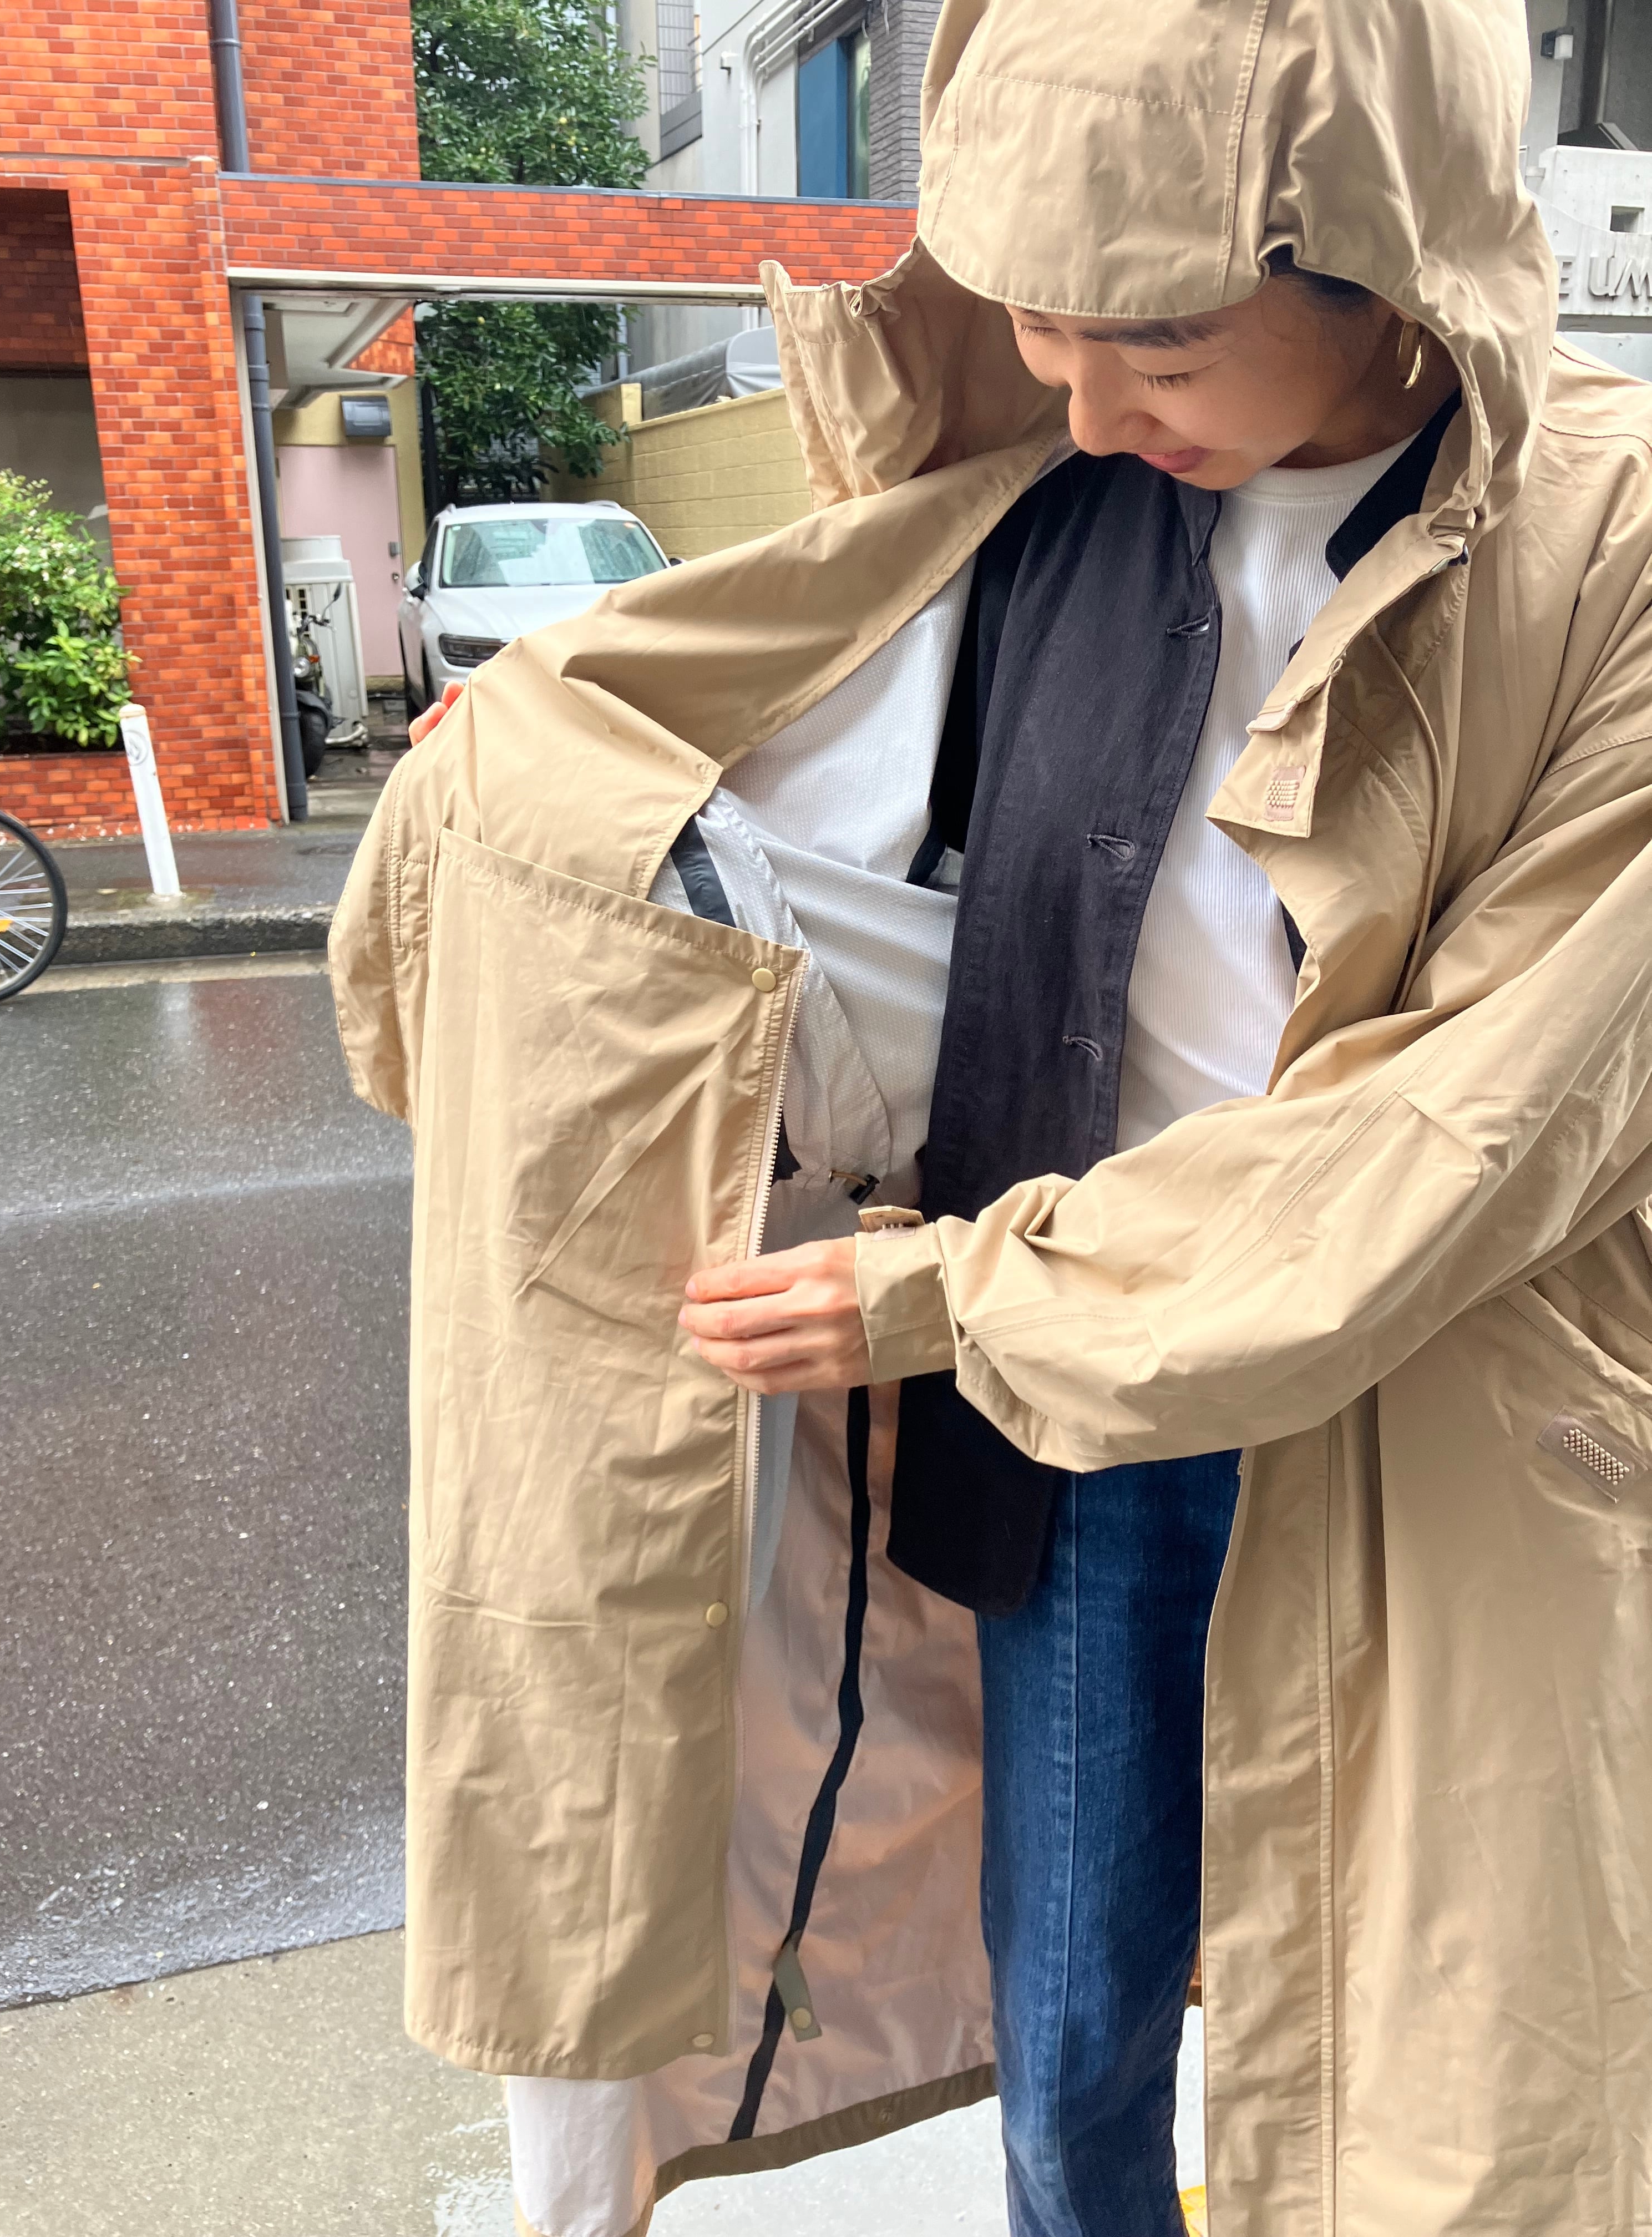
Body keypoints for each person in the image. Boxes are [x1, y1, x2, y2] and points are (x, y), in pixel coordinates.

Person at [338, 3, 1652, 2233]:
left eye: (1154, 341)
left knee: (1430, 2077)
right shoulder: (1038, 501)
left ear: (1380, 253)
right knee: (1070, 2057)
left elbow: (1481, 1125)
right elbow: (782, 797)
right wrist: (534, 793)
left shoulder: (1604, 542)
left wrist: (949, 1295)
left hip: (1437, 1430)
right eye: (1039, 330)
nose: (1091, 399)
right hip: (1070, 1434)